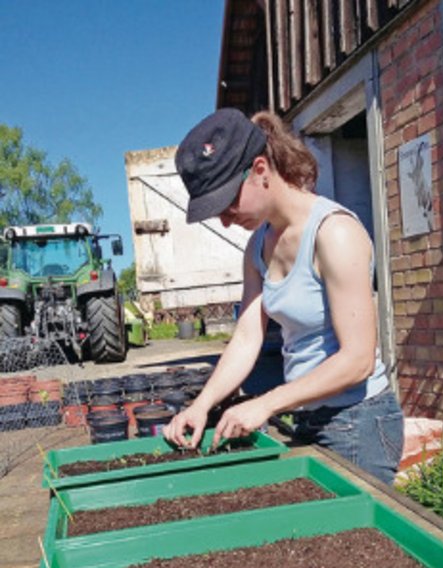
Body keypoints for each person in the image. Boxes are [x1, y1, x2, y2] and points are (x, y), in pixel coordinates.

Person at [164, 108, 405, 485]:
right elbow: (247, 338)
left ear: (260, 170)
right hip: (306, 415)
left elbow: (358, 360)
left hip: (358, 422)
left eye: (227, 202)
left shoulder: (335, 233)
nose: (224, 220)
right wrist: (202, 405)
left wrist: (266, 403)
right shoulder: (258, 247)